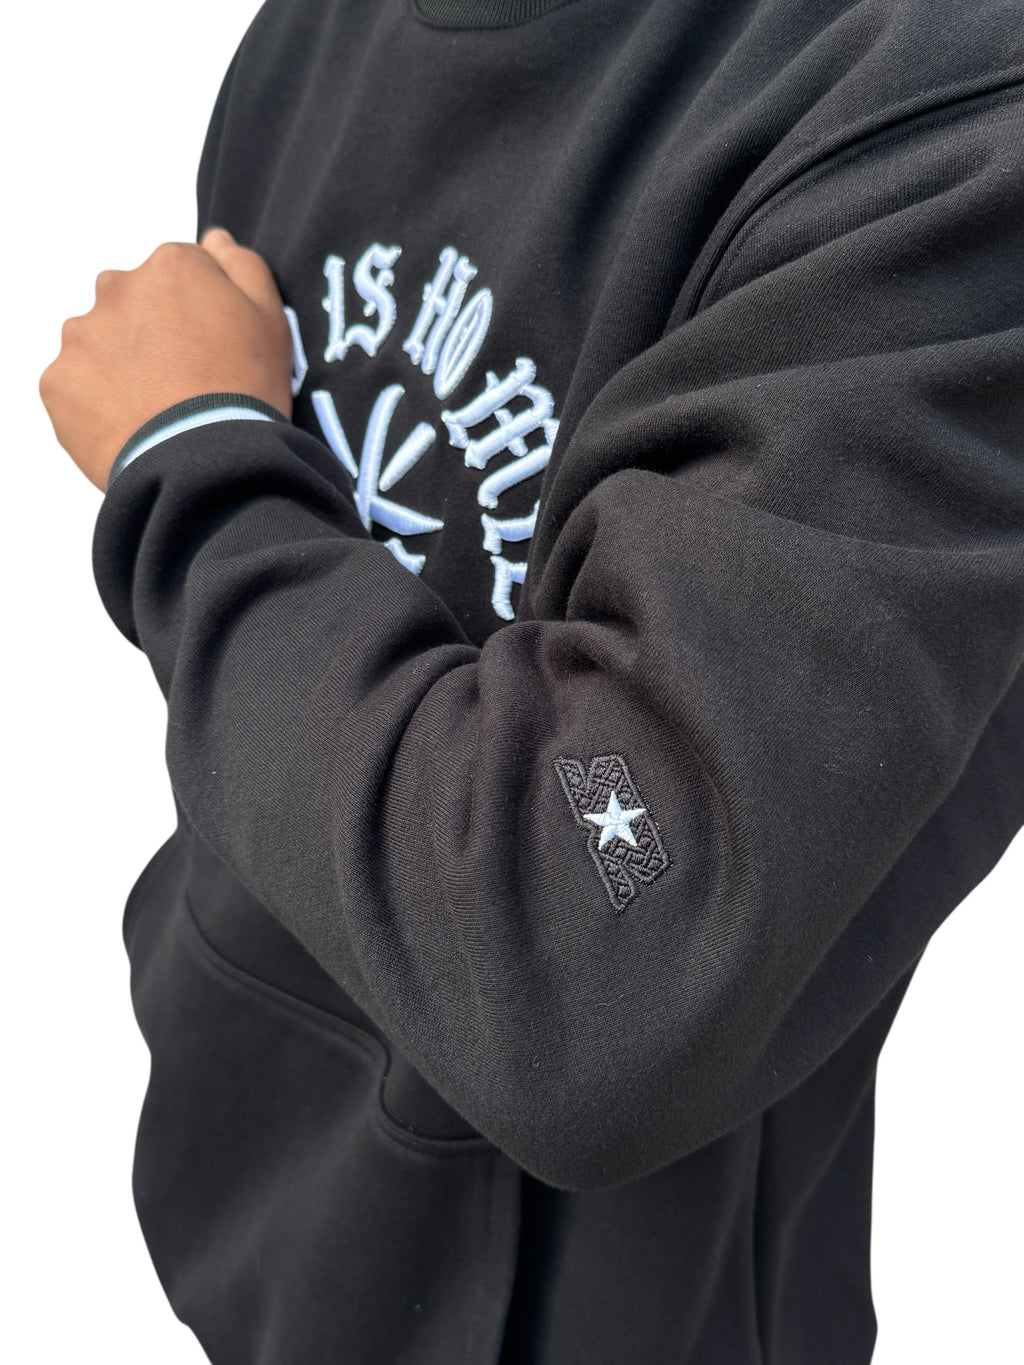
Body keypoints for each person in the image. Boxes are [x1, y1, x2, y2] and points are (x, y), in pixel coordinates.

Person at [38, 0, 1024, 1361]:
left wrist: (192, 465)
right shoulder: (316, 34)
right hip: (244, 1194)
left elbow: (588, 978)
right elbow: (278, 659)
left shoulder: (941, 121)